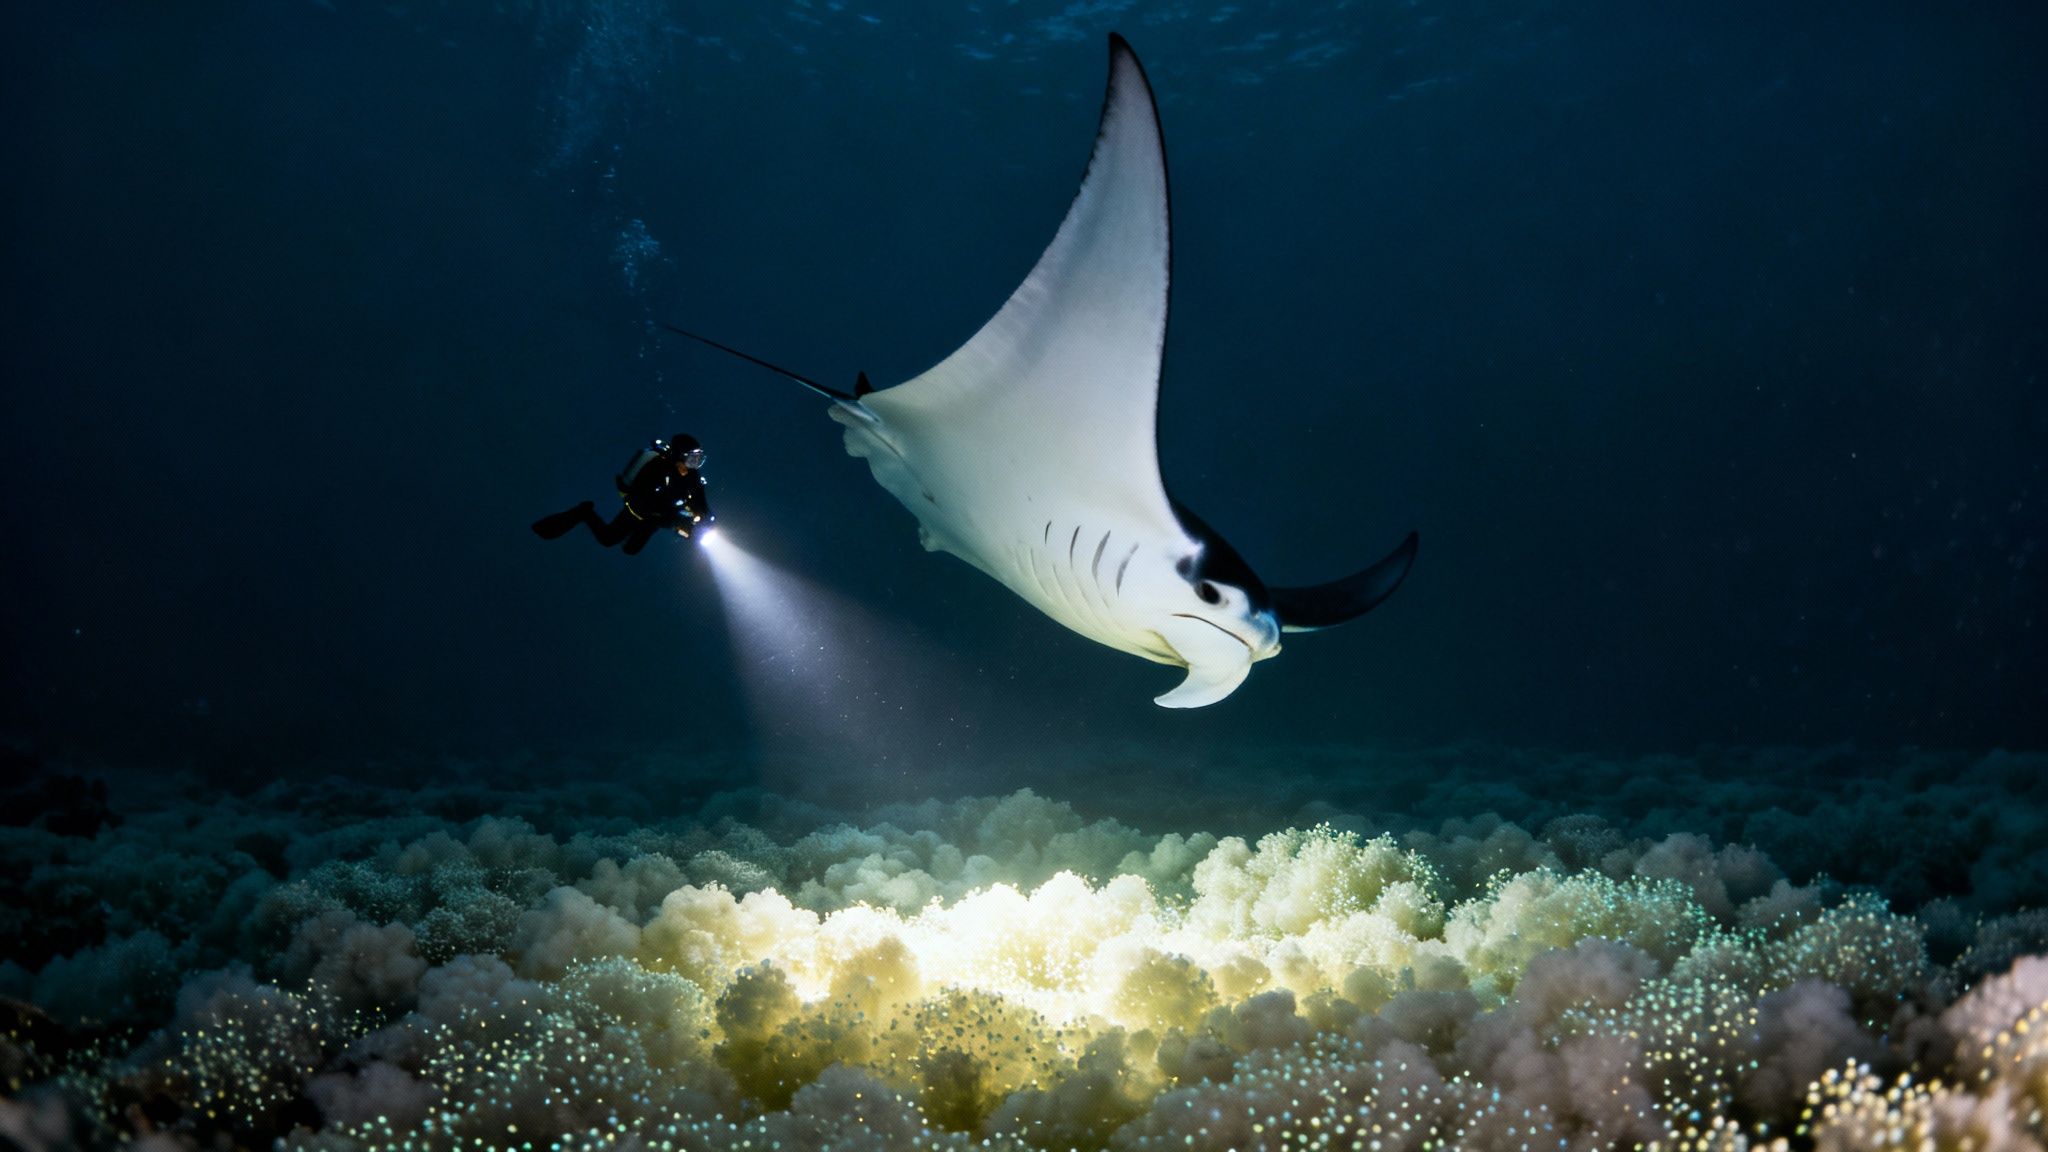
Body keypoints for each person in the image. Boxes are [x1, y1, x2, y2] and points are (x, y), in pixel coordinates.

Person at [531, 434, 715, 554]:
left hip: (657, 520)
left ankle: (631, 535)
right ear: (679, 456)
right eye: (692, 458)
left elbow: (700, 504)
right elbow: (647, 502)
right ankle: (585, 512)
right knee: (608, 539)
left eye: (699, 459)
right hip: (636, 513)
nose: (695, 464)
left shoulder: (694, 480)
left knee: (631, 549)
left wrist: (706, 520)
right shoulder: (657, 470)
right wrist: (675, 521)